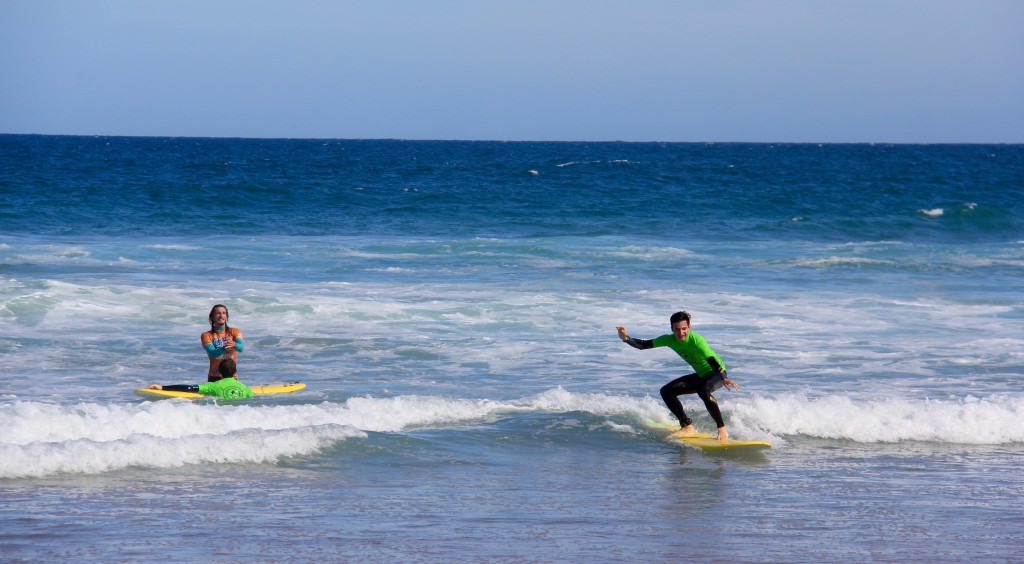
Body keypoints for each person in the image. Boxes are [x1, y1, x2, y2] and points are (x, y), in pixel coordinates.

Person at [616, 311, 739, 441]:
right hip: (701, 375)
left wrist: (723, 378)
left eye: (684, 329)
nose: (681, 333)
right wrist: (626, 338)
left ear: (689, 328)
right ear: (672, 329)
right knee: (667, 391)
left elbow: (712, 361)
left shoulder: (697, 341)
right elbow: (644, 345)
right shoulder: (669, 339)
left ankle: (722, 429)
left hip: (717, 373)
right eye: (677, 329)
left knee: (703, 389)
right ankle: (686, 426)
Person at [148, 358, 253, 399]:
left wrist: (162, 388)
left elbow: (188, 388)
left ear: (219, 372)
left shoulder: (213, 386)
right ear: (235, 372)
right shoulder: (245, 388)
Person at [201, 304, 244, 382]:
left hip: (232, 377)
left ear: (227, 317)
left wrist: (234, 344)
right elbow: (212, 353)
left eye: (224, 313)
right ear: (212, 317)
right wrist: (224, 348)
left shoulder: (235, 332)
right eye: (218, 313)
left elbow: (241, 348)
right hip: (214, 376)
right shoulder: (206, 335)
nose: (221, 316)